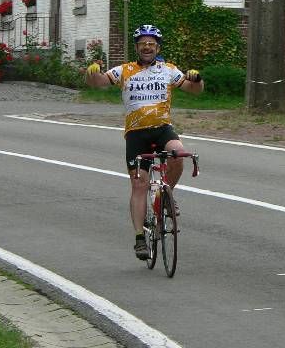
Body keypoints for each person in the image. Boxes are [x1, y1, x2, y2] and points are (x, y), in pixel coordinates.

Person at [85, 24, 204, 260]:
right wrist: (92, 73)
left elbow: (195, 90)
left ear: (157, 47)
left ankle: (165, 195)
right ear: (137, 48)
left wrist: (197, 79)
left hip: (162, 129)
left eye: (151, 44)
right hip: (136, 133)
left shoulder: (168, 70)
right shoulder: (125, 70)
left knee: (178, 154)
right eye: (142, 44)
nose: (147, 47)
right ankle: (140, 237)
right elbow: (98, 84)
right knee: (139, 185)